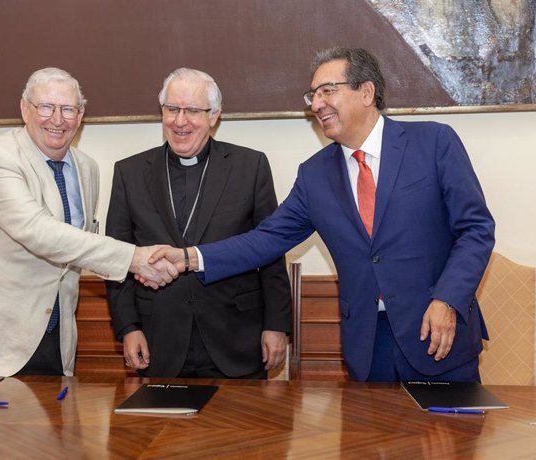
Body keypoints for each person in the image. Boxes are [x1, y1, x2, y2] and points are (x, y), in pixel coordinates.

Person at [150, 48, 495, 382]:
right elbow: (265, 239)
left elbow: (476, 230)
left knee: (450, 442)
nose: (316, 104)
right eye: (312, 95)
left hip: (437, 335)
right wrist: (189, 258)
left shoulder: (434, 142)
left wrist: (448, 299)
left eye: (328, 91)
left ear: (366, 92)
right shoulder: (315, 175)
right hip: (368, 345)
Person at [0, 67, 177, 377]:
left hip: (51, 337)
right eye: (46, 107)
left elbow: (77, 247)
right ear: (25, 109)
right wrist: (135, 258)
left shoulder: (86, 168)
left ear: (80, 116)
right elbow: (39, 232)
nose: (57, 119)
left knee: (50, 426)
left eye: (68, 109)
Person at [105, 67, 291, 379]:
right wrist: (128, 328)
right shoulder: (129, 173)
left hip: (236, 339)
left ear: (214, 115)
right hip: (158, 340)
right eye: (172, 109)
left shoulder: (250, 166)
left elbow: (270, 250)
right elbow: (118, 257)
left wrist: (276, 325)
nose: (180, 121)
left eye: (192, 110)